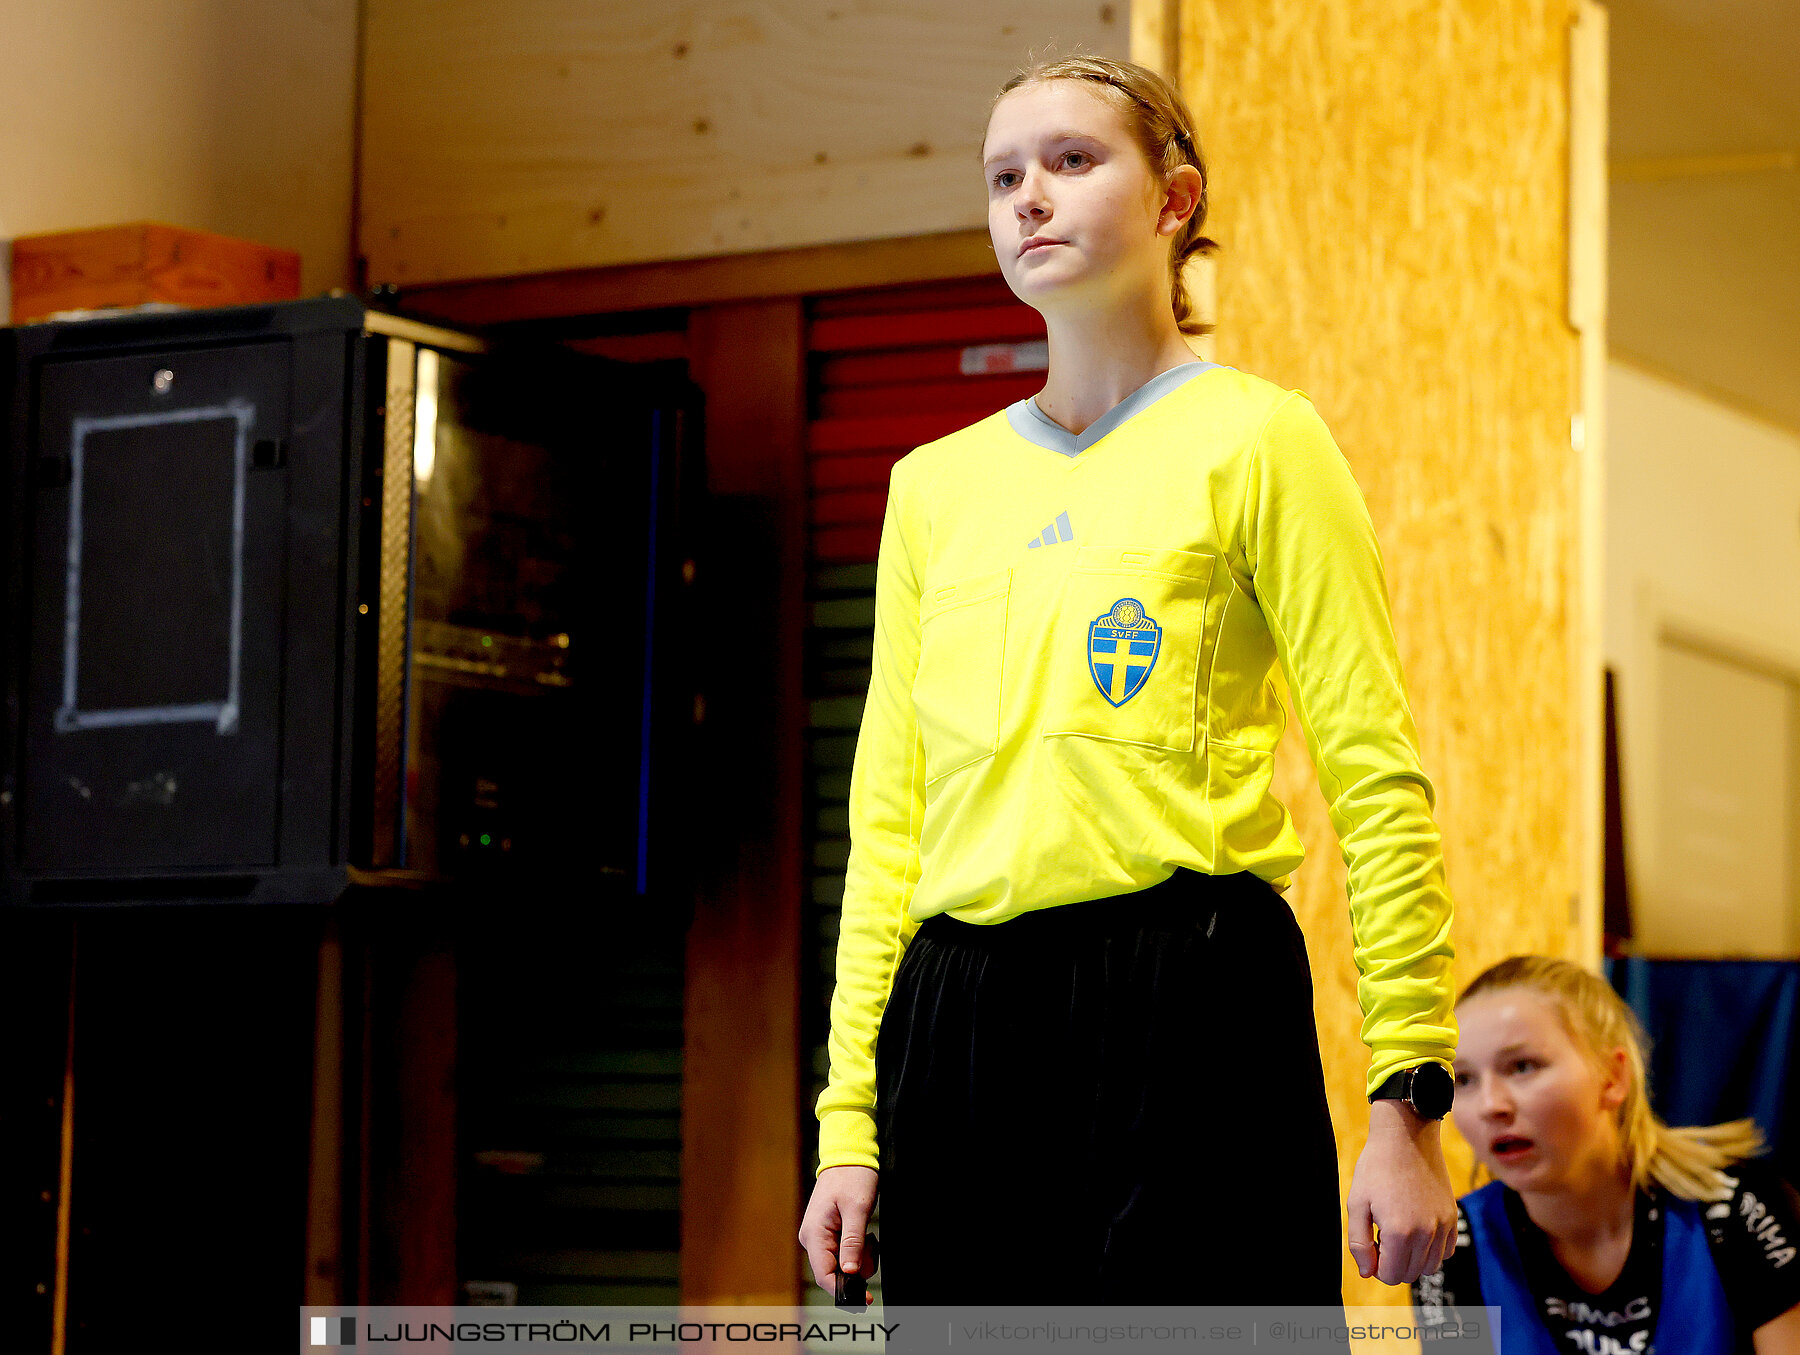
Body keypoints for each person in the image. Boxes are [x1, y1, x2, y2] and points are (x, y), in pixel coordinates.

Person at [797, 53, 1460, 1307]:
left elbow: (1375, 776)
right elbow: (888, 823)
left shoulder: (1264, 440)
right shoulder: (931, 487)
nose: (1028, 198)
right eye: (1003, 176)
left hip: (1190, 995)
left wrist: (1408, 1100)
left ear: (1174, 200)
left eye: (1070, 160)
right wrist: (849, 1124)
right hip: (962, 1018)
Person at [1413, 956, 1800, 1353]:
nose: (1491, 1105)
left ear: (1612, 1077)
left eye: (1523, 1066)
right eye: (1463, 1079)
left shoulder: (1741, 1208)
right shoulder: (1448, 1248)